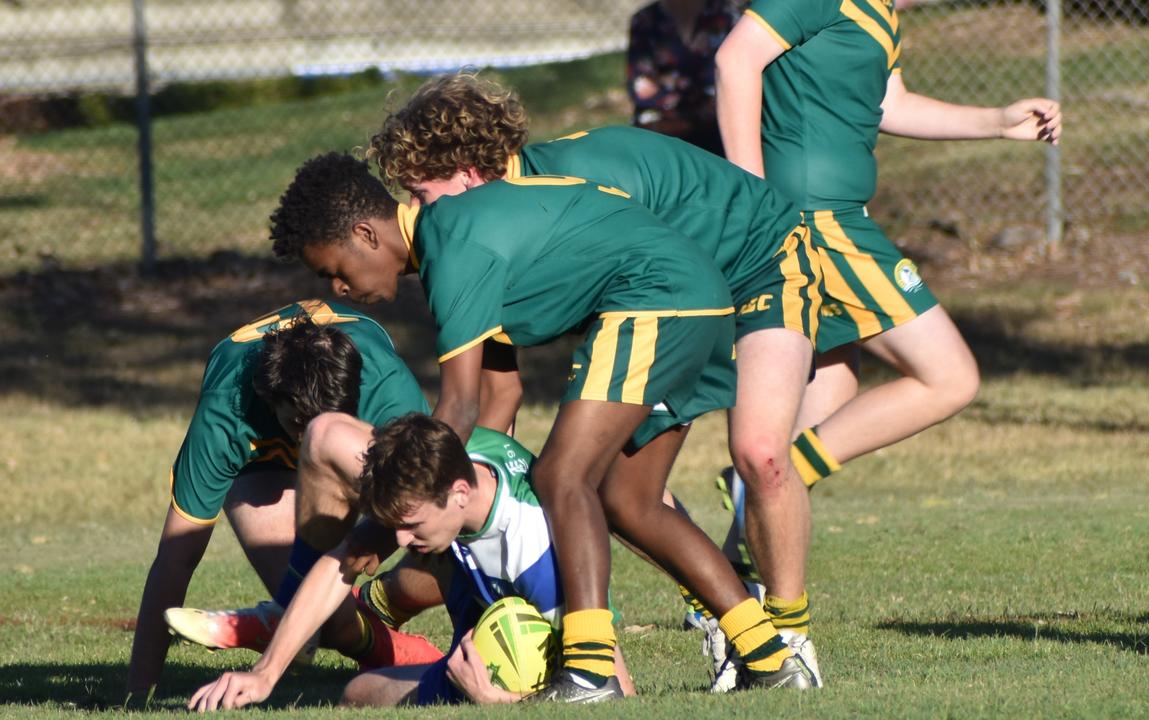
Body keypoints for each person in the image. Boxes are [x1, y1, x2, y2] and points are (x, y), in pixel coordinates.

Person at [267, 152, 815, 701]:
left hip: (657, 300)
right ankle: (771, 658)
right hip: (697, 298)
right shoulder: (456, 237)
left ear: (365, 233)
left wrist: (382, 523)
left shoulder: (451, 249)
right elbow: (500, 390)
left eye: (333, 269)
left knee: (561, 477)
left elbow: (457, 408)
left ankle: (588, 670)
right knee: (630, 501)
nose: (337, 288)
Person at [367, 72, 824, 678]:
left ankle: (789, 639)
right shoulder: (497, 221)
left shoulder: (557, 189)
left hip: (766, 259)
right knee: (617, 490)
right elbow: (497, 395)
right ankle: (746, 636)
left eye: (422, 195)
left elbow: (653, 265)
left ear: (469, 174)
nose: (418, 215)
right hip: (684, 294)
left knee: (758, 452)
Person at [714, 0, 1063, 686]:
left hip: (834, 219)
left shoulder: (880, 12)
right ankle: (770, 503)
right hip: (815, 224)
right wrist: (750, 195)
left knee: (824, 406)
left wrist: (998, 122)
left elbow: (890, 103)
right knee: (950, 377)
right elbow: (735, 59)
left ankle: (743, 599)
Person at [186, 413, 637, 710]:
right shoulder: (441, 465)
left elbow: (617, 693)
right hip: (476, 626)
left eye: (412, 524)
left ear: (459, 494)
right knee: (356, 692)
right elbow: (338, 564)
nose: (400, 540)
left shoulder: (532, 549)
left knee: (362, 692)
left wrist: (498, 701)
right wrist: (264, 675)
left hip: (523, 672)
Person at [126, 301, 439, 699]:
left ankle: (384, 604)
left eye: (325, 420)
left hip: (360, 444)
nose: (311, 440)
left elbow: (439, 501)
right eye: (297, 423)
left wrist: (367, 540)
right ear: (269, 396)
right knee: (317, 618)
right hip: (265, 468)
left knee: (434, 533)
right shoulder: (226, 413)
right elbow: (176, 555)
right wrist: (137, 694)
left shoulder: (387, 390)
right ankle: (385, 646)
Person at [628, 0, 742, 155]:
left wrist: (670, 85)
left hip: (718, 131)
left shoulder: (727, 16)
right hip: (662, 132)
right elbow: (640, 89)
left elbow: (734, 83)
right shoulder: (645, 20)